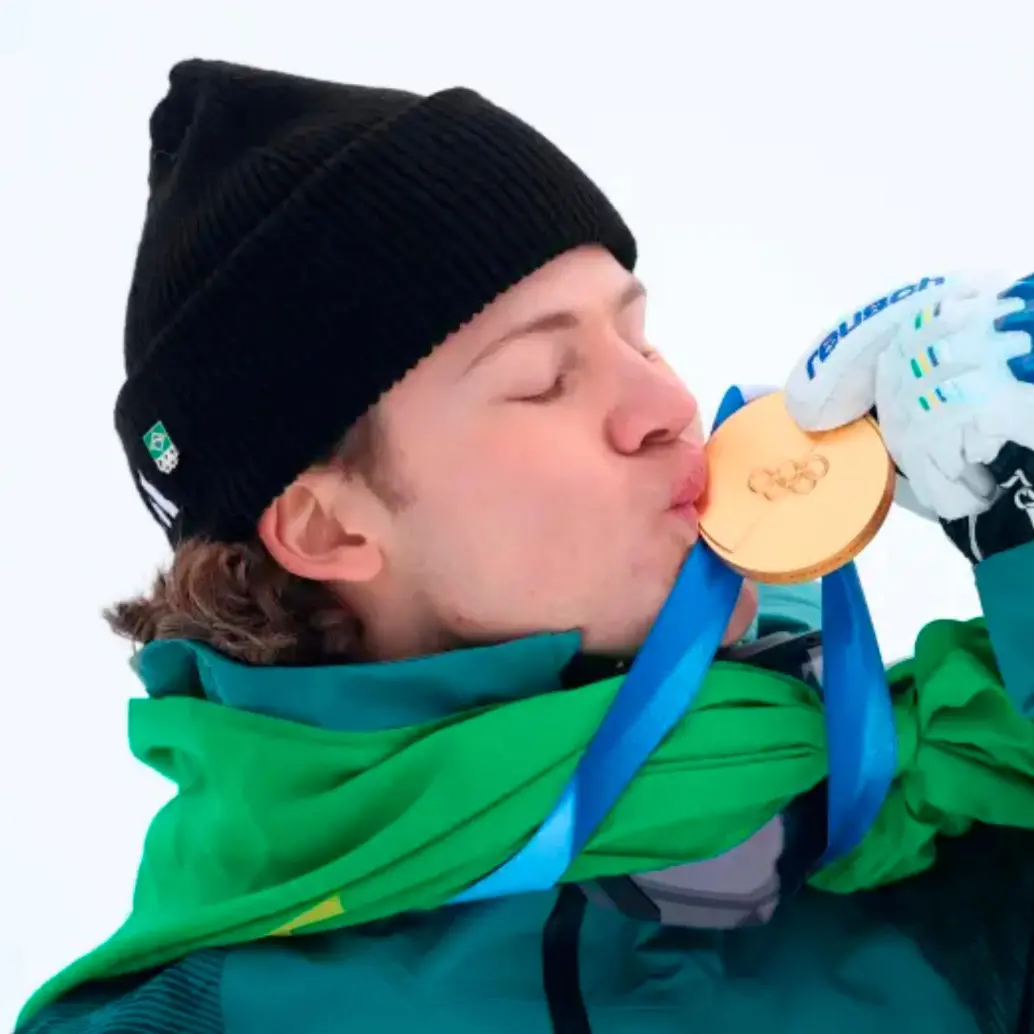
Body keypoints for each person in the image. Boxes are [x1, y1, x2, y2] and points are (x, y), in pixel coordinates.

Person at [15, 57, 1034, 1034]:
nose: (666, 403)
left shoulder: (957, 833)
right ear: (328, 525)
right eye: (546, 377)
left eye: (638, 339)